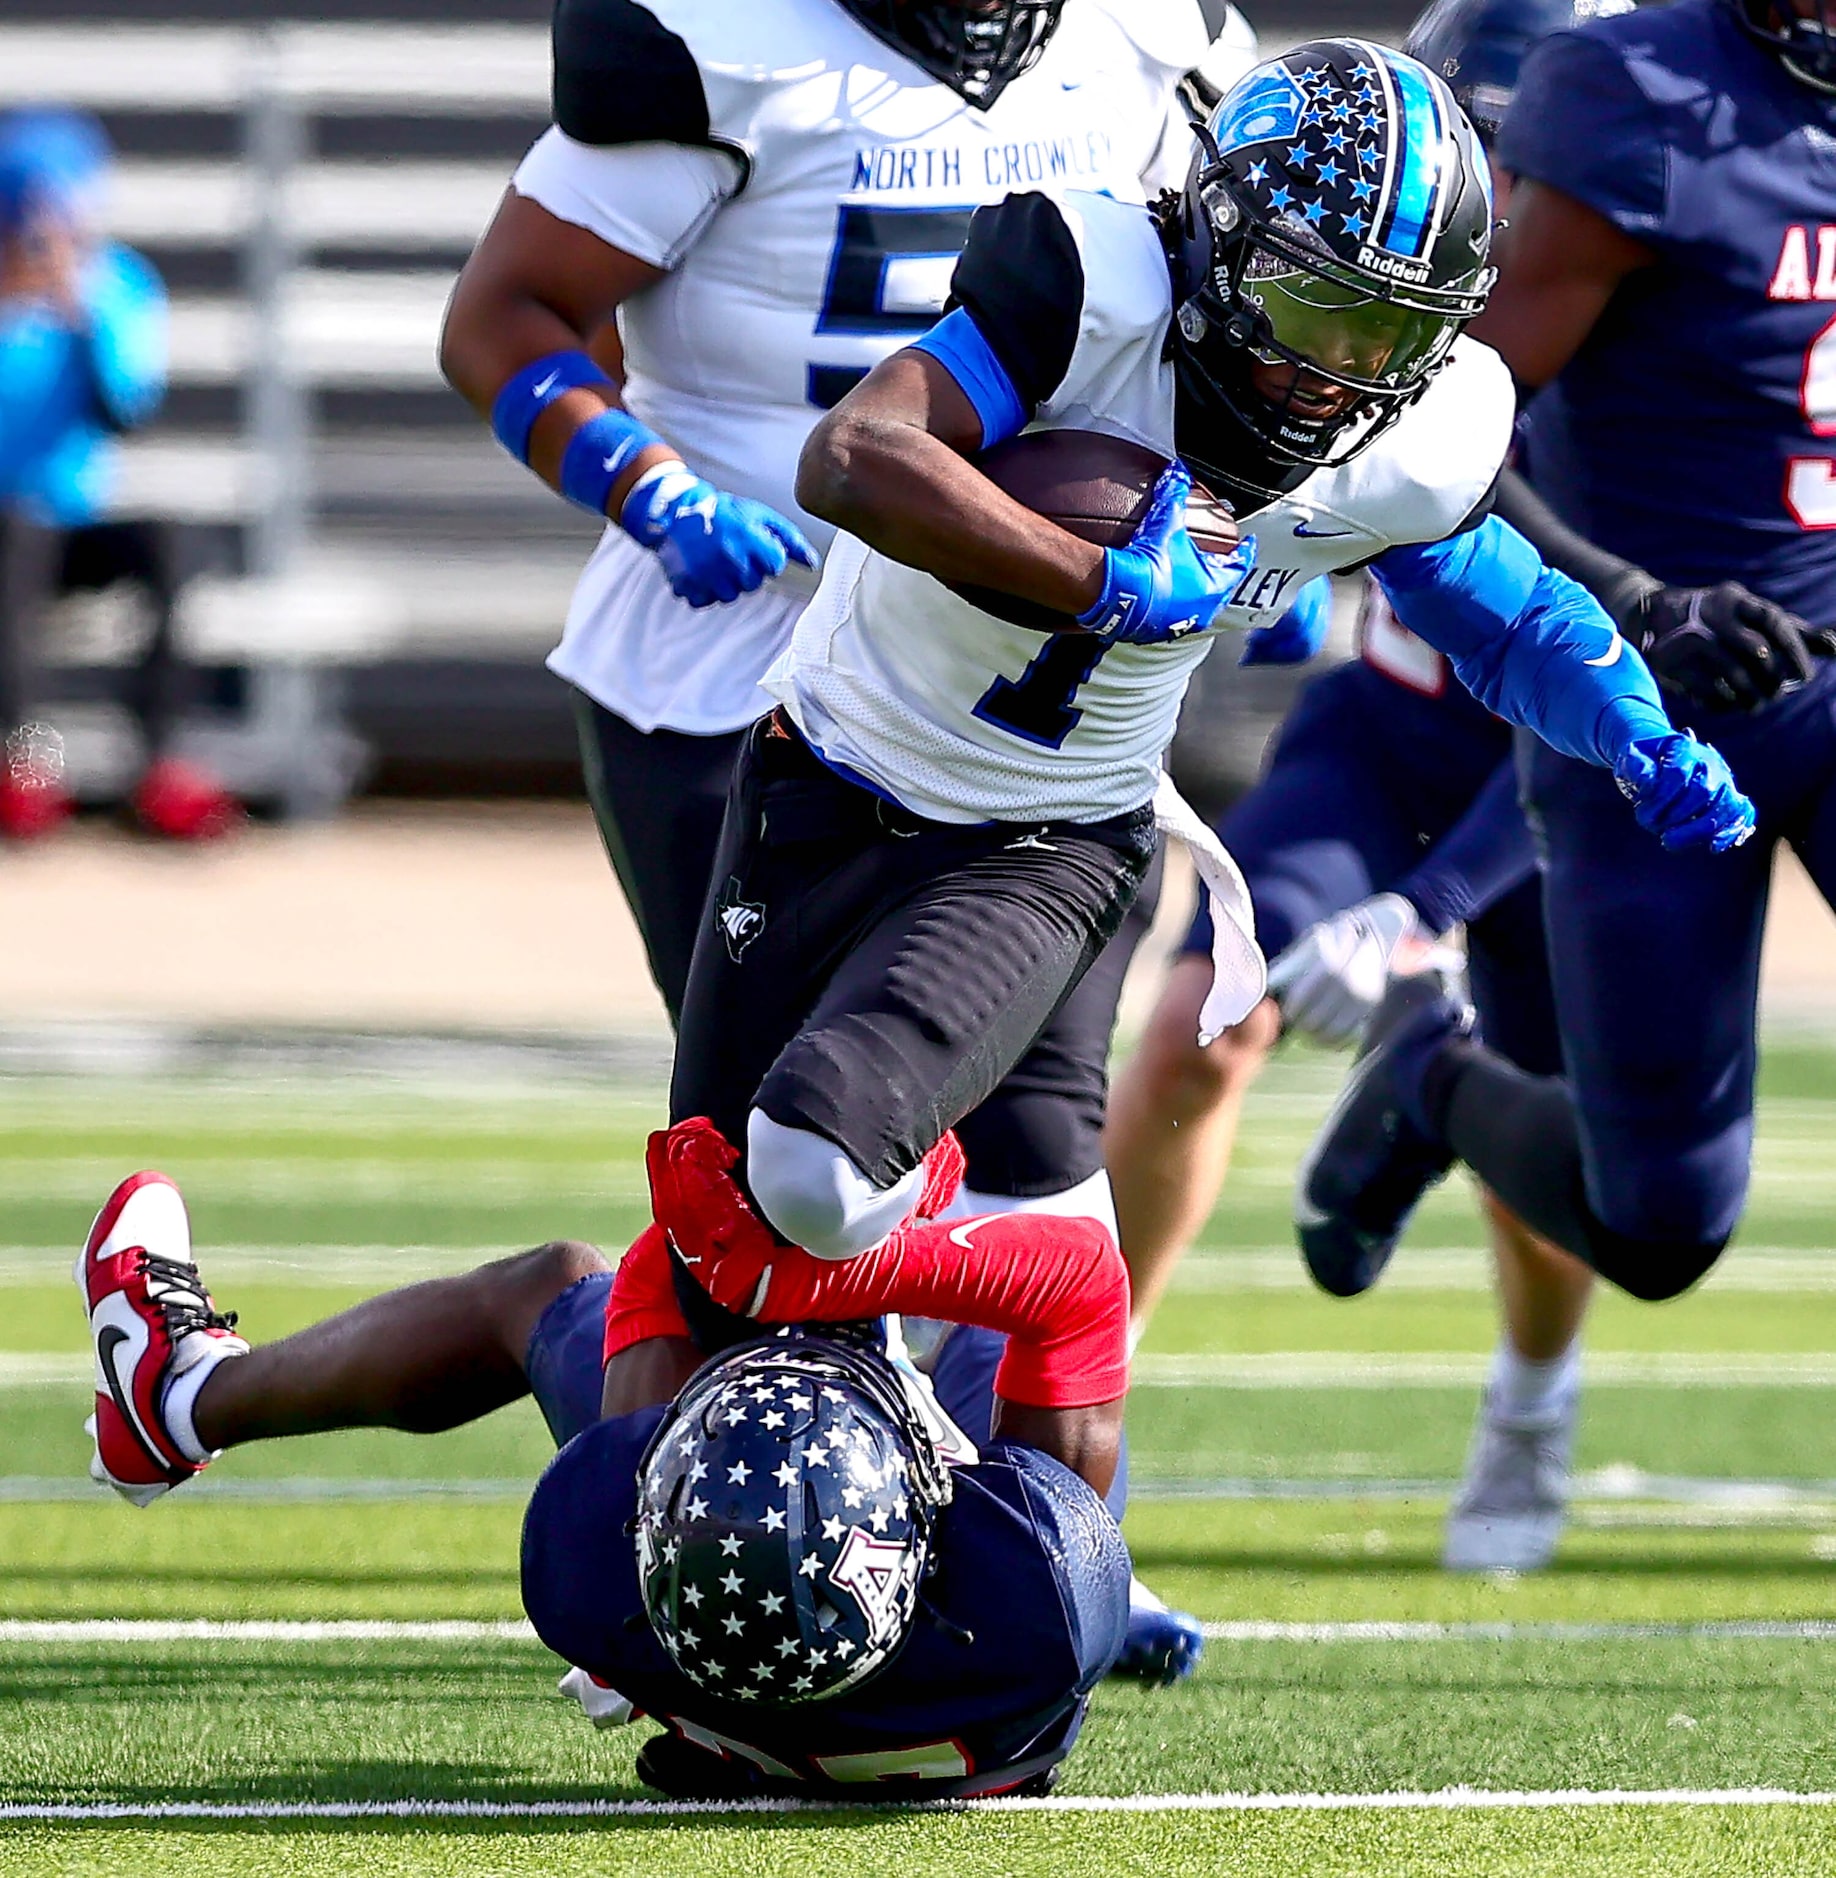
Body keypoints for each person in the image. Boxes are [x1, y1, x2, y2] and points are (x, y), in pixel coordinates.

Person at [648, 34, 1749, 1456]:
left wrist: (1636, 730)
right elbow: (855, 459)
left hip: (1049, 836)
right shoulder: (1086, 283)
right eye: (1312, 304)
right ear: (1224, 236)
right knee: (704, 1243)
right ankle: (653, 1608)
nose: (1337, 369)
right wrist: (1097, 579)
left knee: (802, 1179)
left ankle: (1043, 1352)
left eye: (1388, 336)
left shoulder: (1407, 427)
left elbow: (1501, 608)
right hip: (820, 767)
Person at [437, 0, 1258, 1679]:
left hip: (1027, 687)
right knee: (772, 1181)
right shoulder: (725, 43)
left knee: (1043, 1145)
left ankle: (1051, 1556)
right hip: (746, 672)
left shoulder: (1152, 41)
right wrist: (643, 480)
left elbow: (1249, 298)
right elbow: (503, 315)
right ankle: (676, 1558)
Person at [1292, 0, 1836, 1567]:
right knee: (1661, 1228)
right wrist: (1642, 598)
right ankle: (1431, 1080)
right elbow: (1438, 424)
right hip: (1661, 691)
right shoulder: (1642, 95)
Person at [75, 1131, 1141, 1798]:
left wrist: (762, 1276)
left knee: (548, 1287)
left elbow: (658, 1267)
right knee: (1016, 1289)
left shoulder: (604, 1563)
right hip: (952, 1717)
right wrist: (871, 1261)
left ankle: (176, 1397)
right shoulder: (1028, 1598)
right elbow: (1081, 1277)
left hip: (694, 1674)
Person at [0, 108, 239, 842]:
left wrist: (78, 312)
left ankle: (162, 767)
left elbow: (124, 412)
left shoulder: (118, 286)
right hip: (9, 530)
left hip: (72, 522)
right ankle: (25, 771)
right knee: (16, 544)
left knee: (172, 548)